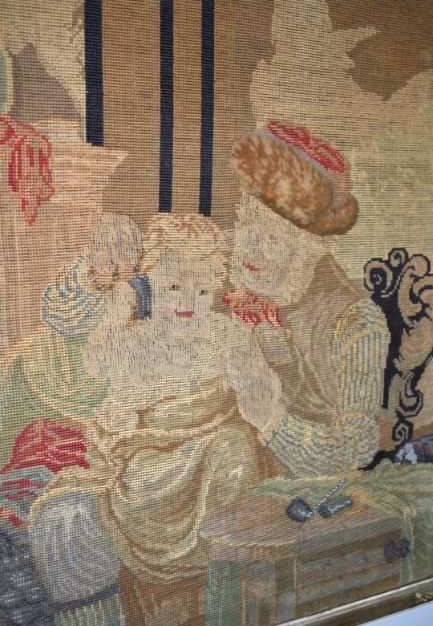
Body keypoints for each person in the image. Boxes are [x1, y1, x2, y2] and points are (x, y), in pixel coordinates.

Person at [30, 212, 282, 626]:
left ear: (216, 287)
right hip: (147, 465)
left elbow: (262, 393)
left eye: (202, 290)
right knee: (68, 516)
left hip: (213, 459)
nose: (187, 302)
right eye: (174, 287)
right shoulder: (140, 337)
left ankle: (225, 573)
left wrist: (260, 386)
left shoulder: (226, 333)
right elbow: (98, 364)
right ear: (150, 283)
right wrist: (119, 307)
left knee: (234, 446)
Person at [226, 122, 391, 478]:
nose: (251, 247)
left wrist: (270, 418)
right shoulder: (217, 292)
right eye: (247, 223)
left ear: (314, 247)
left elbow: (354, 450)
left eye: (273, 238)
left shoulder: (356, 322)